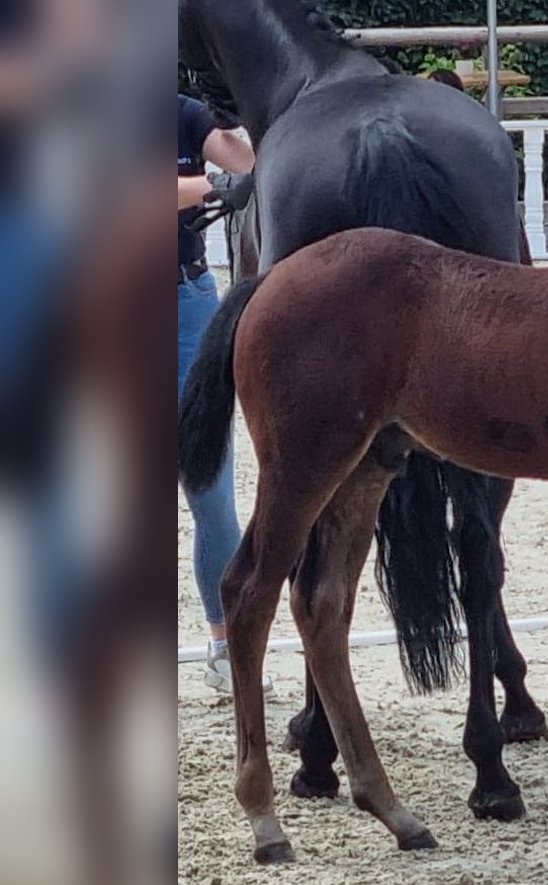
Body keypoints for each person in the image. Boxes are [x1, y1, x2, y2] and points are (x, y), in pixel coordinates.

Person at [177, 93, 272, 695]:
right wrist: (208, 184)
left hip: (189, 297)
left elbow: (245, 159)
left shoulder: (181, 111)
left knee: (210, 485)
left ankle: (224, 640)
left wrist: (249, 108)